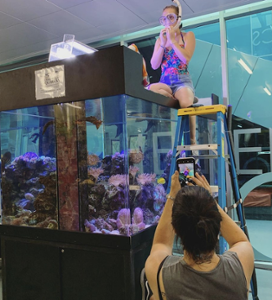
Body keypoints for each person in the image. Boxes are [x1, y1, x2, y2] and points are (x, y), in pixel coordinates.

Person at [144, 171, 254, 300]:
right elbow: (240, 240)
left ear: (176, 229)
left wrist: (172, 196)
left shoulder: (159, 272)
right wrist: (210, 202)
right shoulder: (240, 265)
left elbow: (160, 244)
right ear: (217, 225)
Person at [148, 3, 197, 145]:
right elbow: (154, 65)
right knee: (151, 89)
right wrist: (163, 43)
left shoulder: (187, 36)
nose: (167, 21)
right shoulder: (160, 40)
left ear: (178, 19)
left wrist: (173, 41)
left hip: (182, 80)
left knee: (186, 104)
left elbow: (186, 59)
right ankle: (178, 96)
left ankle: (192, 140)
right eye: (164, 19)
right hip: (165, 82)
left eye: (170, 17)